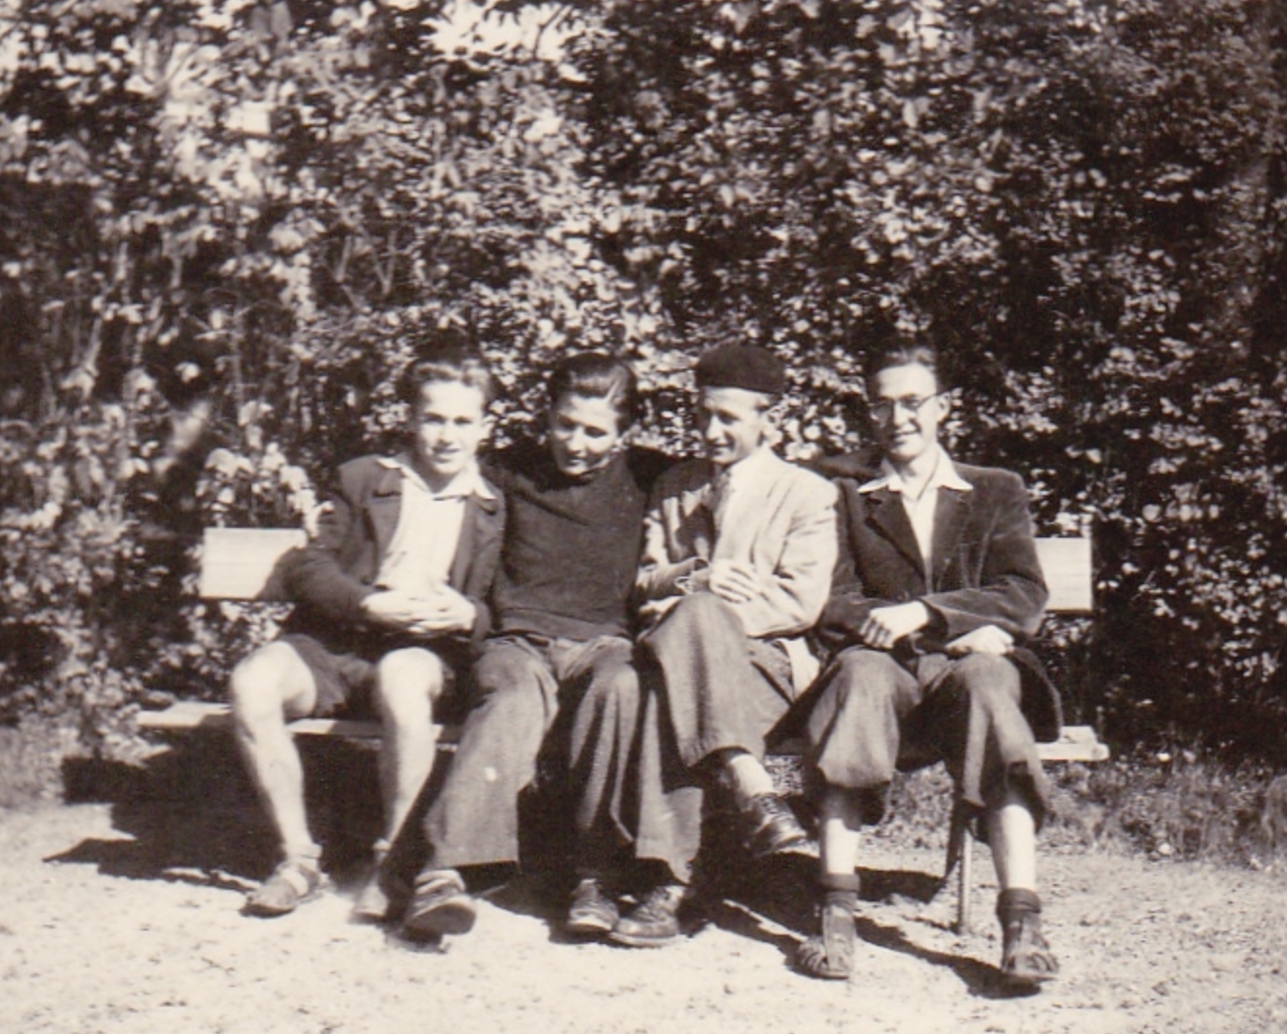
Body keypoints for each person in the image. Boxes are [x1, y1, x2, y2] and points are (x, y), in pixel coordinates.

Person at [796, 344, 1063, 985]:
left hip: (966, 677)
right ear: (869, 413)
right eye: (882, 405)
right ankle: (835, 912)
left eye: (913, 402)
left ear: (943, 407)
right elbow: (832, 602)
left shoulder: (994, 490)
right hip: (881, 673)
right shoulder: (844, 494)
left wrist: (931, 615)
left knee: (990, 683)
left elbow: (1022, 593)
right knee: (858, 676)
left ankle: (1022, 922)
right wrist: (930, 631)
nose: (899, 419)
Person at [397, 354, 671, 940]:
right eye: (565, 424)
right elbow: (429, 481)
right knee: (512, 697)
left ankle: (596, 875)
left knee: (622, 688)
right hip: (517, 640)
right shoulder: (507, 470)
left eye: (596, 432)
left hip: (604, 643)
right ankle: (444, 873)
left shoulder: (648, 476)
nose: (576, 443)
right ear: (547, 415)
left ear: (624, 434)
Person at [227, 342, 503, 920]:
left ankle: (392, 865)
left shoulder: (497, 504)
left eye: (462, 421)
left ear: (485, 426)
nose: (446, 436)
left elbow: (512, 601)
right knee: (252, 681)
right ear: (411, 419)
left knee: (402, 675)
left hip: (426, 653)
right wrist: (369, 605)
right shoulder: (364, 479)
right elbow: (306, 566)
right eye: (433, 419)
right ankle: (298, 860)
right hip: (336, 644)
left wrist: (468, 617)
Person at [597, 342, 840, 948]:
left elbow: (798, 603)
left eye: (727, 418)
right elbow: (645, 582)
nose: (710, 430)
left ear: (769, 419)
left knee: (680, 659)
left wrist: (702, 615)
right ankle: (749, 787)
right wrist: (695, 580)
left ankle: (671, 884)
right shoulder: (675, 486)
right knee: (668, 675)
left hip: (766, 668)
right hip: (684, 666)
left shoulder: (806, 494)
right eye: (702, 414)